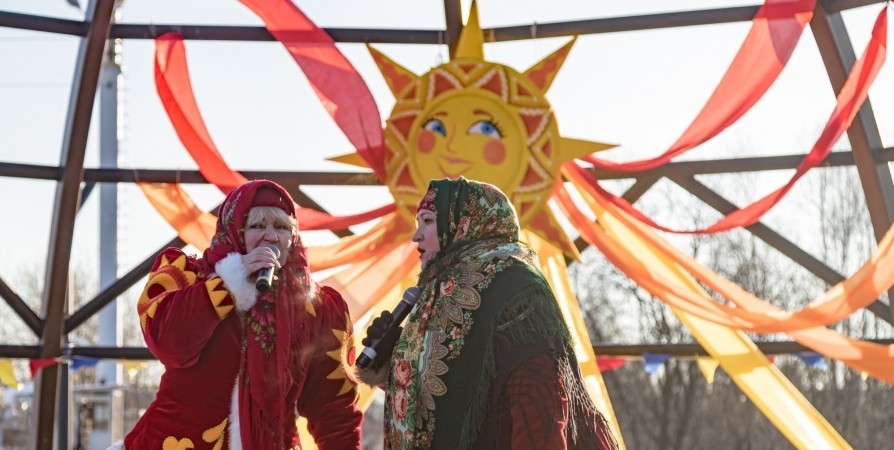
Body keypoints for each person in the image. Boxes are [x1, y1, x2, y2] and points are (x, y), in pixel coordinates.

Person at [357, 177, 619, 449]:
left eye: (427, 221)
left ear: (463, 223)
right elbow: (450, 394)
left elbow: (538, 397)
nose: (417, 236)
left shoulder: (513, 285)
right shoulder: (440, 292)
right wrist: (392, 364)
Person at [123, 180, 362, 449]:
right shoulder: (188, 276)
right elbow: (169, 343)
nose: (271, 236)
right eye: (257, 226)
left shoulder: (317, 307)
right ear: (234, 231)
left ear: (293, 237)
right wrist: (229, 283)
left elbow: (334, 410)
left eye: (281, 227)